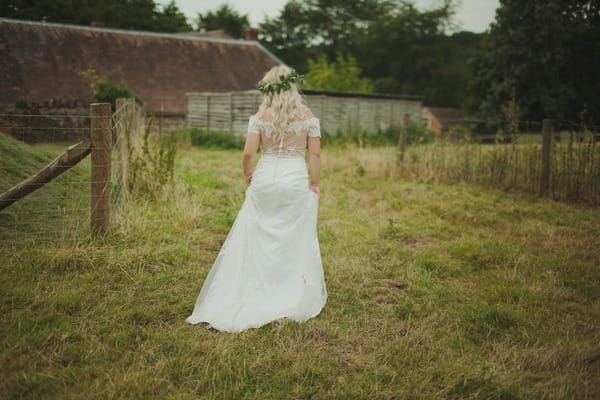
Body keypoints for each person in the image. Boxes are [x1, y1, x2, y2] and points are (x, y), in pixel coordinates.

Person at [185, 65, 327, 332]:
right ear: (293, 87)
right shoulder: (308, 117)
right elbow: (316, 156)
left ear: (268, 88)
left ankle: (254, 284)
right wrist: (315, 183)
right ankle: (287, 287)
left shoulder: (260, 116)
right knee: (291, 234)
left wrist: (247, 175)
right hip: (294, 180)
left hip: (265, 179)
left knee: (258, 232)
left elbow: (247, 154)